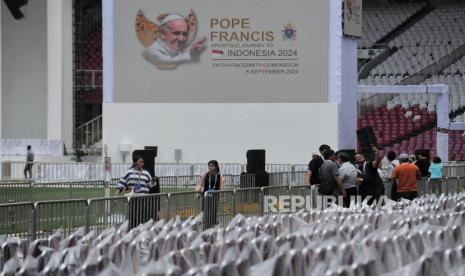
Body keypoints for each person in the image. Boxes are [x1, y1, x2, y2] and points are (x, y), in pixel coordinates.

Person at [116, 155, 154, 228]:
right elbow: (121, 183)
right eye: (140, 162)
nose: (142, 163)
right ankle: (132, 230)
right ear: (135, 163)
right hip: (132, 199)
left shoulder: (146, 173)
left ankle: (141, 231)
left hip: (144, 199)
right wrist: (116, 195)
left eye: (142, 162)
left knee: (143, 216)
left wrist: (153, 182)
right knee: (133, 216)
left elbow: (150, 185)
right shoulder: (129, 172)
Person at [196, 160, 225, 228]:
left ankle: (213, 225)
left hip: (215, 197)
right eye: (209, 166)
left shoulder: (219, 176)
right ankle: (205, 226)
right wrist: (198, 191)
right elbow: (199, 184)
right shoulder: (205, 174)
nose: (210, 167)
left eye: (212, 166)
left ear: (216, 167)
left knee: (213, 212)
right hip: (206, 197)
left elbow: (221, 187)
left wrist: (221, 197)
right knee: (205, 211)